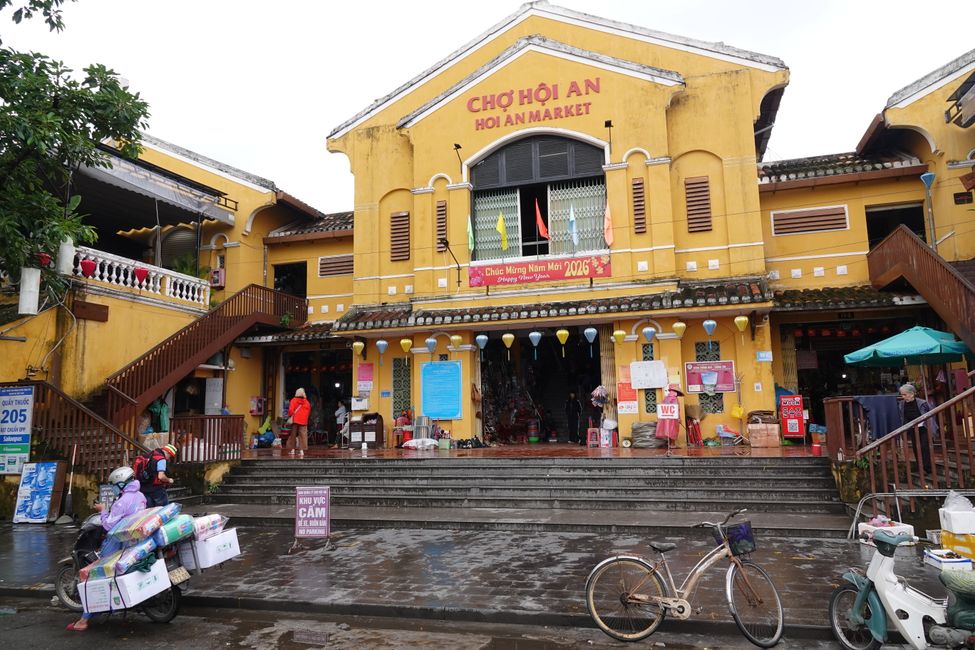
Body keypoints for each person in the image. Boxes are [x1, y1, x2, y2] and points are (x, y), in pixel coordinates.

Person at [66, 466, 147, 632]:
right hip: (135, 540)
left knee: (95, 575)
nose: (113, 487)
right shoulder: (140, 496)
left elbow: (109, 525)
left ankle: (84, 620)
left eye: (114, 484)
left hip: (119, 541)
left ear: (122, 483)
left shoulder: (122, 501)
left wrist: (103, 511)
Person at [898, 383, 938, 477]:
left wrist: (932, 428)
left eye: (905, 394)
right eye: (902, 395)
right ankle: (920, 467)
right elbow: (902, 416)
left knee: (924, 447)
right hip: (912, 428)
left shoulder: (922, 403)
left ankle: (927, 468)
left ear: (912, 394)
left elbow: (930, 414)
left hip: (923, 427)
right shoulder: (902, 404)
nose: (903, 397)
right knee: (916, 448)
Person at [287, 388, 311, 458]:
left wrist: (291, 415)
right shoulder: (307, 402)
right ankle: (301, 451)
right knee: (303, 436)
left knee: (293, 435)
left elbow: (291, 411)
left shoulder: (293, 400)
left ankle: (293, 450)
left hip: (295, 420)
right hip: (303, 421)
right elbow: (309, 412)